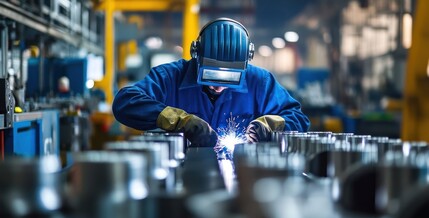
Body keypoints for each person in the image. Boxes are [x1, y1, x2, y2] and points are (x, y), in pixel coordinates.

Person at [112, 18, 310, 147]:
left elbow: (298, 119)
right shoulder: (170, 77)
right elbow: (125, 102)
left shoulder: (259, 82)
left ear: (243, 66)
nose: (218, 86)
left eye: (229, 79)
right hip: (184, 170)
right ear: (197, 58)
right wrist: (180, 121)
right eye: (210, 76)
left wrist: (268, 125)